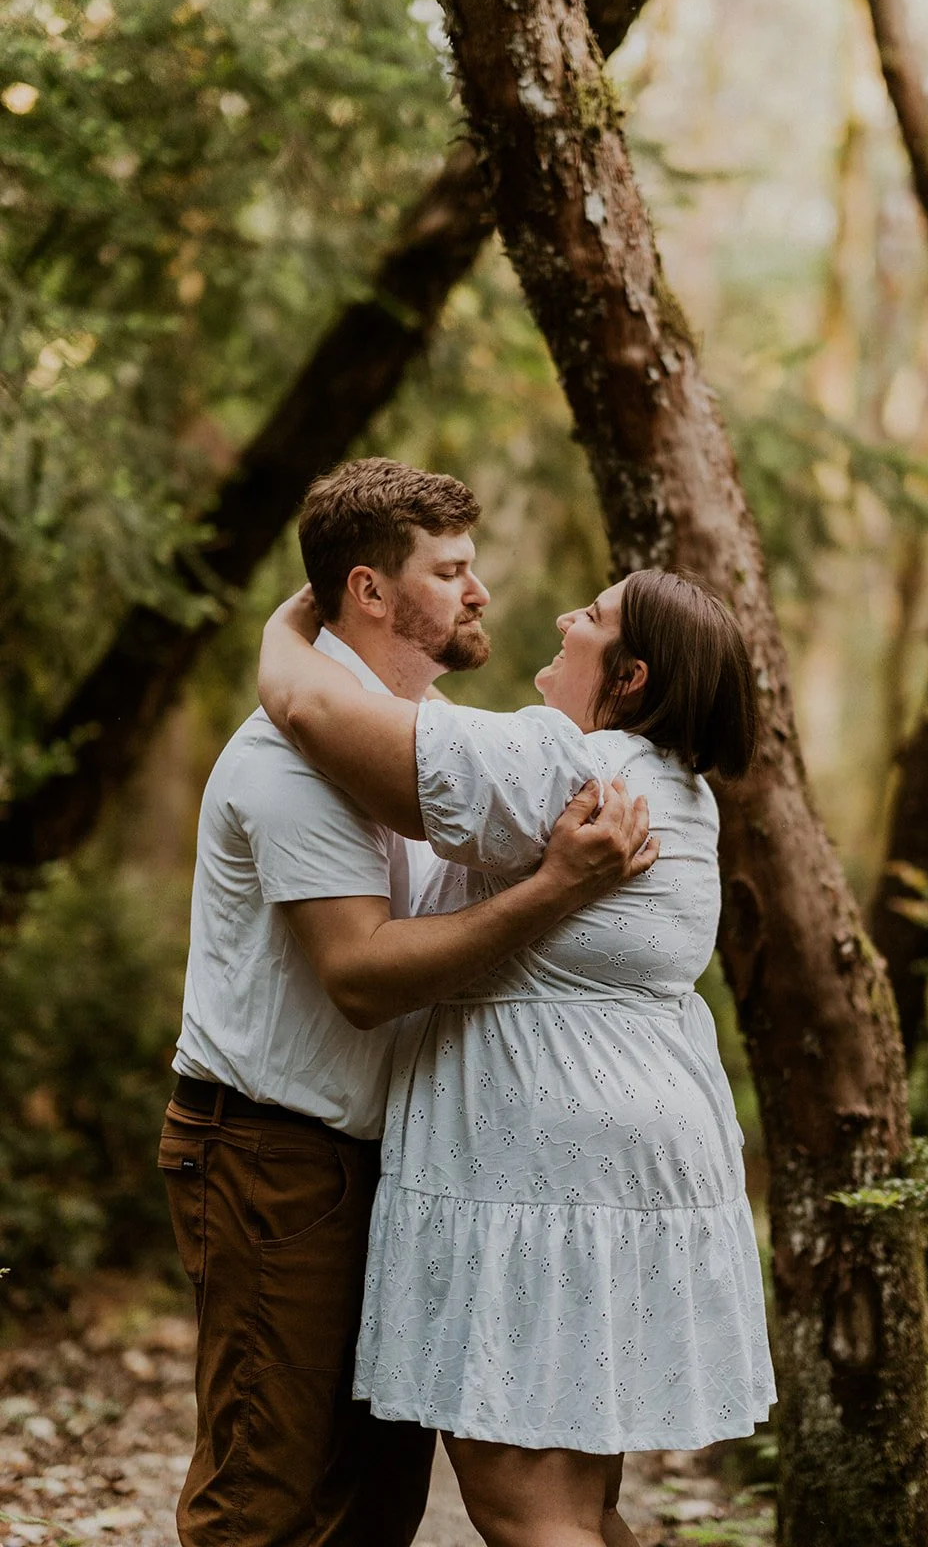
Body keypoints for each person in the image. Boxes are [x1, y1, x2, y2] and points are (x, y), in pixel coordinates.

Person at [162, 457, 657, 1547]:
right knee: (267, 1488)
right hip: (270, 1154)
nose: (479, 592)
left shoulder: (425, 742)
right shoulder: (288, 763)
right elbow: (360, 977)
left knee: (374, 1503)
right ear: (368, 591)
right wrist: (555, 885)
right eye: (450, 569)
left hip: (392, 1164)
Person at [257, 565, 777, 1547]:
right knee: (583, 1508)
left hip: (539, 1171)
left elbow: (306, 706)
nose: (561, 617)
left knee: (523, 1510)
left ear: (626, 677)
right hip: (632, 1163)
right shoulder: (677, 790)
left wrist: (302, 610)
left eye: (591, 615)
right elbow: (440, 732)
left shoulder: (560, 764)